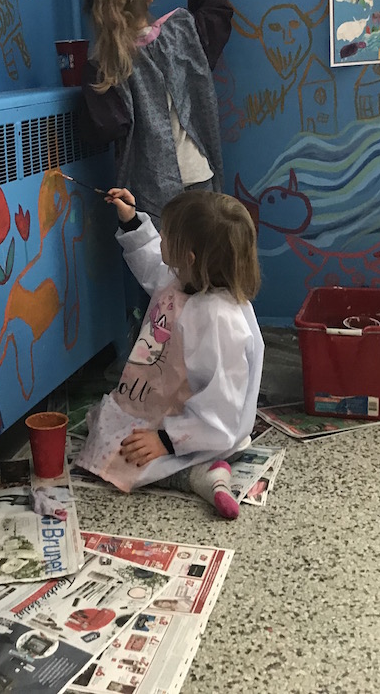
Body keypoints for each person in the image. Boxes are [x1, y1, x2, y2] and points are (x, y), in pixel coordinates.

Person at [73, 187, 264, 519]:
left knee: (122, 456)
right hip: (168, 402)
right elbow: (151, 264)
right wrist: (131, 222)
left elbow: (223, 406)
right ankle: (193, 468)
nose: (160, 237)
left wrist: (167, 439)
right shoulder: (183, 279)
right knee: (104, 422)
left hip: (207, 430)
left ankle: (197, 475)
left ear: (188, 256)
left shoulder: (221, 318)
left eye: (167, 234)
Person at [76, 0, 233, 221]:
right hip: (200, 178)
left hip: (150, 196)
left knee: (157, 262)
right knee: (207, 260)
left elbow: (105, 128)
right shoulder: (184, 34)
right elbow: (216, 10)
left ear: (93, 8)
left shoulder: (104, 67)